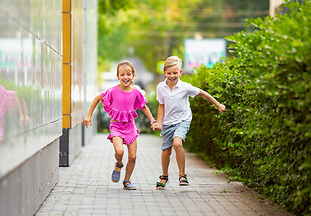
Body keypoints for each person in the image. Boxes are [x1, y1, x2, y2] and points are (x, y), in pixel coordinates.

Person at [152, 56, 226, 190]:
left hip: (183, 120)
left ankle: (182, 175)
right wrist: (159, 122)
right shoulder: (160, 87)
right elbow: (161, 106)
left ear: (180, 72)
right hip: (168, 122)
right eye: (169, 73)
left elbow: (203, 94)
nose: (172, 76)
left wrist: (218, 104)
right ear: (164, 72)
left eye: (175, 73)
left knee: (177, 143)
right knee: (166, 151)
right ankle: (164, 176)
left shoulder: (185, 87)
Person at [82, 61, 156, 190]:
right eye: (122, 74)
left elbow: (144, 107)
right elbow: (97, 99)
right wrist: (88, 115)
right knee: (119, 151)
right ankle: (119, 164)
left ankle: (127, 180)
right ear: (118, 76)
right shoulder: (112, 91)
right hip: (116, 126)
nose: (125, 77)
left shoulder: (136, 92)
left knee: (133, 156)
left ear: (133, 75)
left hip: (130, 127)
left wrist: (152, 120)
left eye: (128, 74)